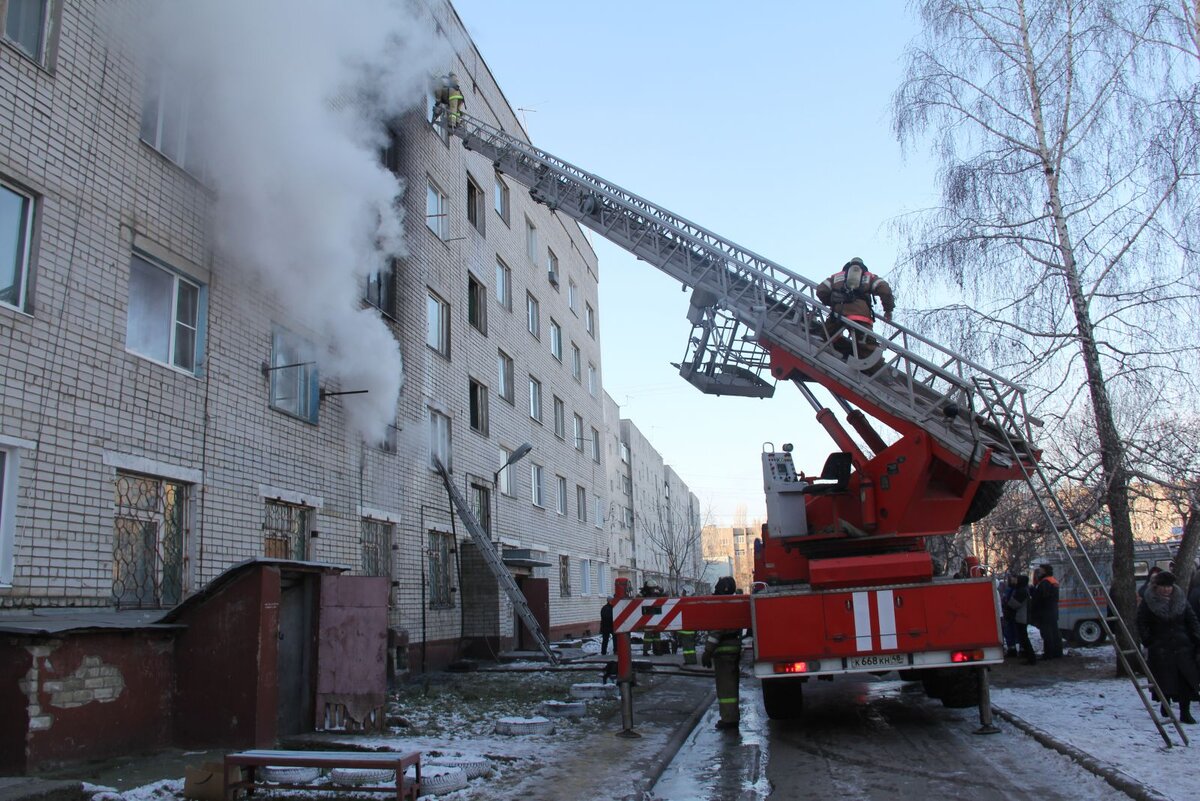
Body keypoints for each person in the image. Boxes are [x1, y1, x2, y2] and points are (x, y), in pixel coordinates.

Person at [1136, 571, 1200, 724]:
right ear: (1157, 586)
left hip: (1183, 647)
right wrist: (1149, 641)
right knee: (1165, 682)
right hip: (1161, 649)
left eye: (1169, 586)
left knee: (1186, 682)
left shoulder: (1181, 599)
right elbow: (1141, 622)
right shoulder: (1149, 602)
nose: (1166, 589)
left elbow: (1192, 619)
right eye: (1163, 586)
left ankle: (1185, 712)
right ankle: (1166, 705)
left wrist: (1195, 638)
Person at [815, 257, 895, 361]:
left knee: (825, 336)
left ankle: (835, 352)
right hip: (861, 318)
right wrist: (888, 310)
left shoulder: (836, 277)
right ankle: (873, 370)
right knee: (867, 347)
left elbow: (821, 290)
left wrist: (831, 303)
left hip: (838, 315)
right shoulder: (870, 277)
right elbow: (885, 290)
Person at [702, 576, 743, 730]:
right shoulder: (734, 603)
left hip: (724, 652)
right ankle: (731, 716)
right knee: (730, 685)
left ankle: (729, 719)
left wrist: (707, 652)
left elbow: (716, 632)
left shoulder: (722, 606)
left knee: (726, 689)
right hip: (732, 649)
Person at [1030, 563, 1063, 659]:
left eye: (1040, 570)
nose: (1038, 572)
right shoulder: (1053, 581)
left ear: (1045, 571)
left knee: (1047, 634)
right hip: (1052, 611)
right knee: (1055, 633)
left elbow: (1040, 598)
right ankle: (1057, 652)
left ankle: (1049, 654)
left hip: (1045, 612)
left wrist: (1033, 594)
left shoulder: (1045, 582)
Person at [1008, 574, 1037, 664]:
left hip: (1021, 617)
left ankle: (1031, 658)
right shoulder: (1024, 590)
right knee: (1023, 637)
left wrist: (1009, 603)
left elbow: (1013, 604)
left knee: (1024, 638)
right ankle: (1030, 657)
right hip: (1023, 616)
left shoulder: (1021, 591)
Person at [1000, 574, 1018, 656]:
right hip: (1008, 613)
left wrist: (1007, 606)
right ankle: (1012, 648)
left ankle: (1012, 649)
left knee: (1010, 631)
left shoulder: (1014, 589)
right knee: (1008, 631)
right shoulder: (1009, 589)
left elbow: (1008, 601)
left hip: (1010, 613)